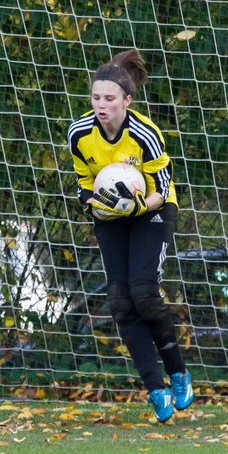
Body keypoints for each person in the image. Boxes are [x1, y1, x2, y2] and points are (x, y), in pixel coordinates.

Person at [68, 49, 193, 423]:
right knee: (120, 302)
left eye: (109, 98)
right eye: (95, 97)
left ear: (127, 100)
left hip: (152, 209)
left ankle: (178, 373)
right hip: (110, 216)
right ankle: (155, 389)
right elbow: (83, 185)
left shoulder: (144, 133)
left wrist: (137, 207)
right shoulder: (80, 134)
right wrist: (96, 204)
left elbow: (164, 183)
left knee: (143, 292)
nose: (101, 105)